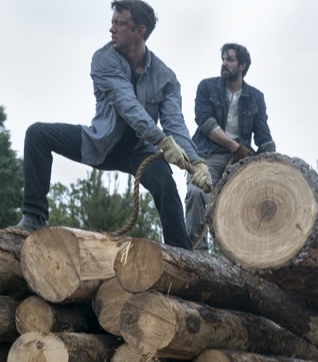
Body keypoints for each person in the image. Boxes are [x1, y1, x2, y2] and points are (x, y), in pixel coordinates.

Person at [11, 0, 211, 249]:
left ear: (140, 31)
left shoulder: (166, 77)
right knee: (37, 134)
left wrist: (196, 161)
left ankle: (182, 255)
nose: (112, 29)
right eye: (112, 22)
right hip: (100, 143)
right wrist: (162, 141)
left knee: (165, 184)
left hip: (140, 152)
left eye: (120, 23)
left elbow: (175, 122)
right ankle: (33, 218)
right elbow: (128, 105)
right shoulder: (103, 60)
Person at [184, 43, 276, 249]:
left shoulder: (256, 97)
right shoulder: (206, 87)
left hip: (240, 161)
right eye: (223, 59)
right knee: (196, 193)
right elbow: (205, 122)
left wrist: (274, 164)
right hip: (207, 155)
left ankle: (248, 258)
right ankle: (197, 255)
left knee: (252, 205)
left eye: (230, 60)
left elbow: (264, 136)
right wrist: (234, 146)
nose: (224, 64)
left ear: (242, 65)